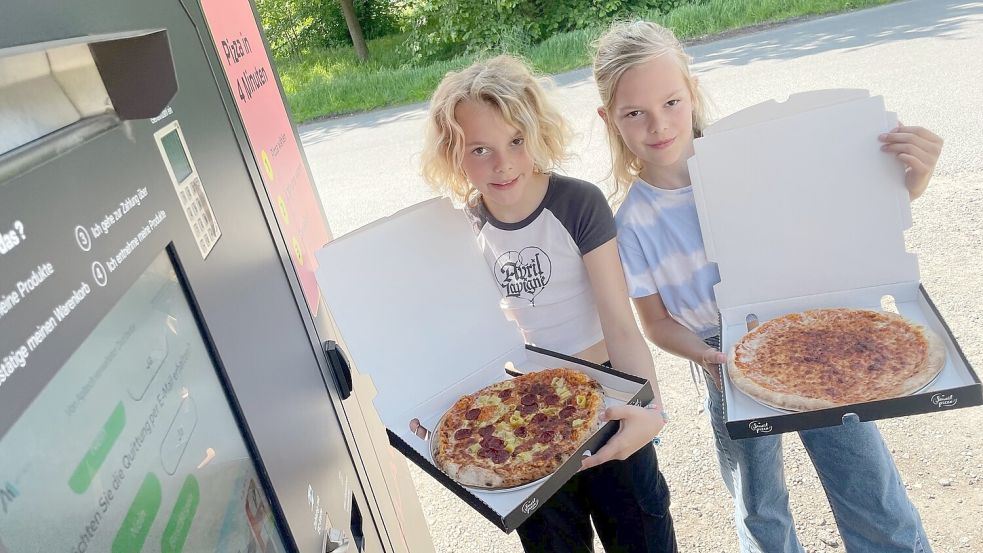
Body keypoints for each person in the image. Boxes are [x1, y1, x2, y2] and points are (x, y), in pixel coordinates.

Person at [592, 20, 943, 553]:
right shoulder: (631, 222)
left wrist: (906, 186)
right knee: (759, 508)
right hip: (718, 362)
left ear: (692, 92)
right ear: (609, 119)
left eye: (671, 102)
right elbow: (657, 322)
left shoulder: (754, 164)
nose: (658, 125)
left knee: (868, 487)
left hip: (809, 344)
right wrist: (713, 358)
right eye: (633, 113)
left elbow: (839, 234)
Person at [420, 54, 676, 553]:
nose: (503, 163)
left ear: (537, 132)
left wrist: (652, 410)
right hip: (521, 411)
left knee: (642, 534)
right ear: (454, 154)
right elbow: (465, 337)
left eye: (516, 141)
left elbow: (622, 325)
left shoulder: (578, 203)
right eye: (480, 150)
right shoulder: (463, 227)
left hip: (604, 396)